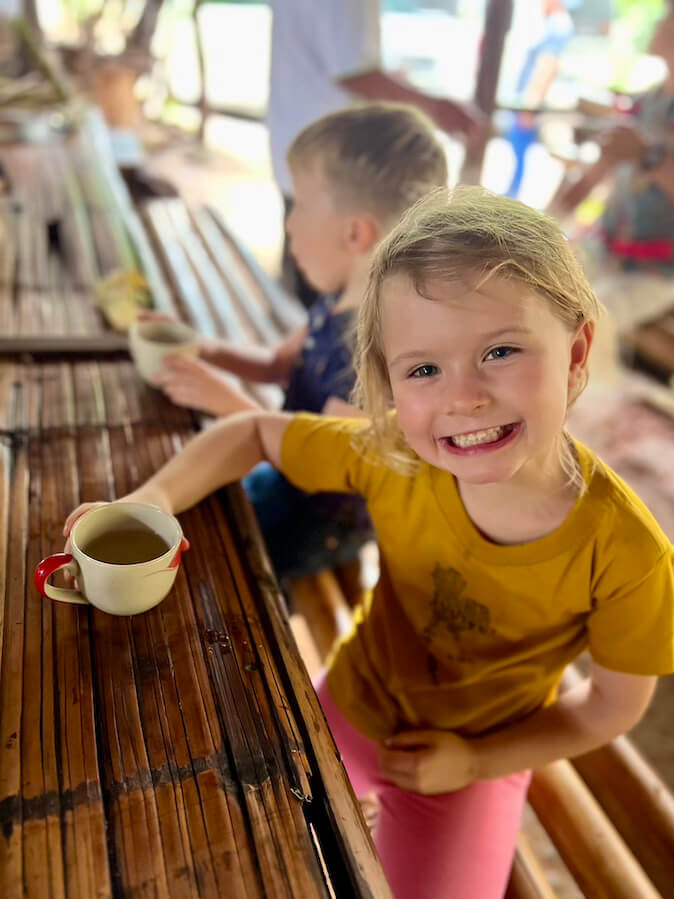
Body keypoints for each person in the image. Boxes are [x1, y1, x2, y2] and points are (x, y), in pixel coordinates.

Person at [63, 186, 674, 899]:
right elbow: (256, 432)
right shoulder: (393, 454)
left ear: (576, 352)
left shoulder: (629, 550)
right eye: (423, 370)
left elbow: (613, 705)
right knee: (229, 844)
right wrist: (154, 499)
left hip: (473, 757)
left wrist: (475, 763)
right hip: (351, 702)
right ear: (388, 385)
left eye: (501, 351)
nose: (465, 397)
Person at [153, 103, 448, 582]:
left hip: (316, 518)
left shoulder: (380, 351)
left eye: (301, 204)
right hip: (281, 469)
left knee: (203, 557)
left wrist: (227, 403)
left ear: (355, 233)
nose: (289, 223)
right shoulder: (336, 298)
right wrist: (204, 350)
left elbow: (323, 461)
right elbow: (276, 363)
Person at [268, 0, 485, 305]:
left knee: (317, 280)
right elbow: (354, 72)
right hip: (333, 161)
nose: (293, 226)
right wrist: (436, 107)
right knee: (321, 283)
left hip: (305, 147)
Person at [551, 0, 674, 345]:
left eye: (669, 15)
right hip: (602, 251)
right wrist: (546, 218)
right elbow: (596, 174)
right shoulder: (648, 103)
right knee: (538, 295)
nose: (659, 23)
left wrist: (648, 156)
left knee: (585, 330)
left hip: (651, 274)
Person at [505, 0, 579, 200]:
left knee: (520, 153)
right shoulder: (553, 23)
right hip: (529, 102)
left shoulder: (558, 25)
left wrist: (530, 105)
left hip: (531, 104)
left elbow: (547, 65)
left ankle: (512, 198)